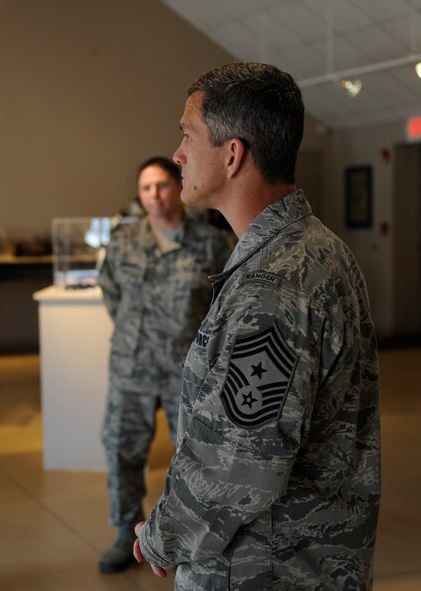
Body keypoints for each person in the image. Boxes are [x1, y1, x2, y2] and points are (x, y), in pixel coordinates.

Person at [133, 62, 381, 590]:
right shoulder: (317, 252)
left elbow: (234, 466)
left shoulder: (274, 285)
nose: (178, 153)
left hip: (263, 571)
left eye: (187, 134)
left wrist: (160, 536)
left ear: (232, 153)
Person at [96, 156, 232, 573]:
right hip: (130, 368)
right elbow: (110, 291)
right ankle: (125, 533)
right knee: (121, 451)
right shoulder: (123, 241)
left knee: (191, 457)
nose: (155, 195)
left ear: (179, 186)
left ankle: (182, 535)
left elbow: (221, 307)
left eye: (162, 186)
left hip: (185, 371)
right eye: (146, 188)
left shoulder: (210, 243)